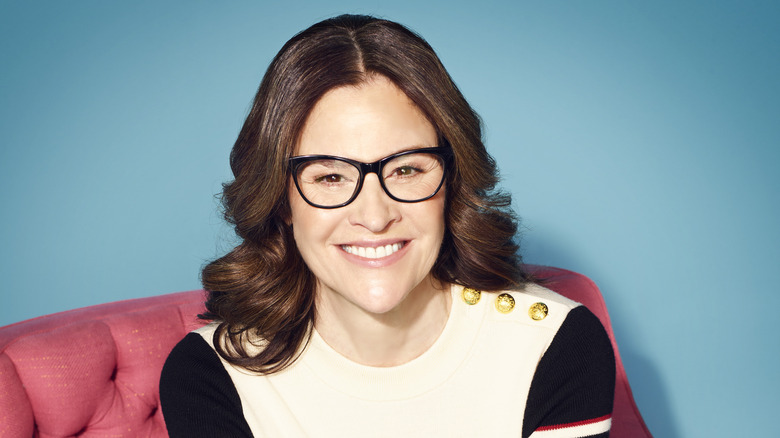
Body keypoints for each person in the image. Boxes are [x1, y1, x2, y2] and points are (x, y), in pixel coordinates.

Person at [160, 14, 615, 438]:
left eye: (407, 170)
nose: (375, 217)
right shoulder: (210, 375)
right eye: (330, 177)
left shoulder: (554, 347)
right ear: (281, 200)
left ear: (451, 182)